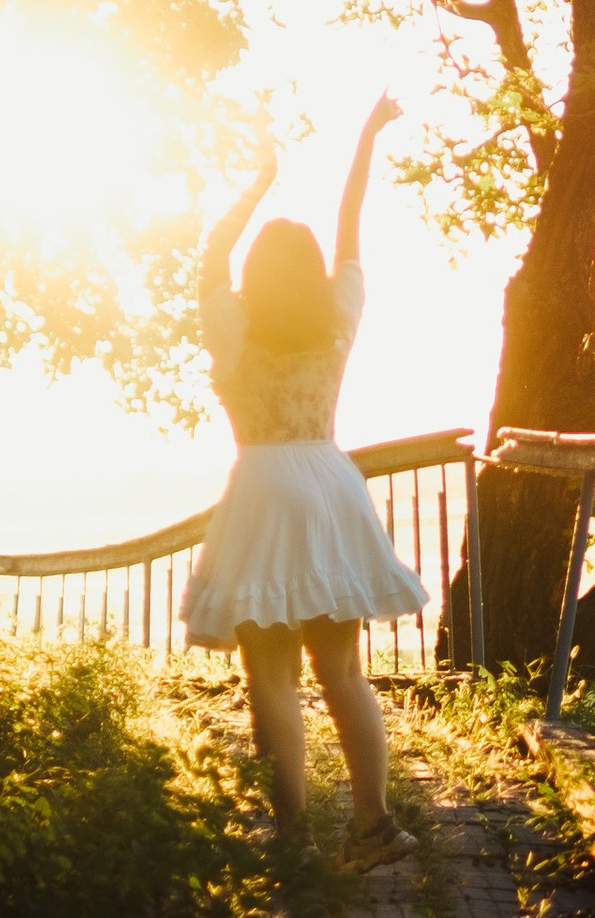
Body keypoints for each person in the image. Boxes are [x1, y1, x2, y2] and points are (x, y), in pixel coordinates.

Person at [181, 95, 427, 871]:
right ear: (313, 272)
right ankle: (374, 826)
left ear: (258, 274)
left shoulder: (233, 323)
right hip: (331, 480)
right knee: (343, 670)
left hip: (264, 487)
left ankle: (294, 839)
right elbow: (351, 227)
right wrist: (363, 140)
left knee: (273, 680)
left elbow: (209, 257)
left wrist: (261, 179)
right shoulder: (336, 315)